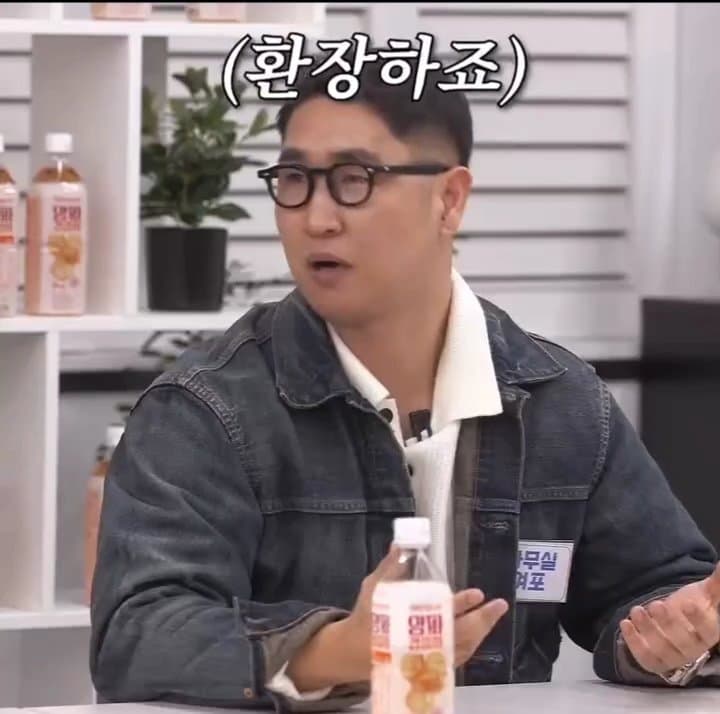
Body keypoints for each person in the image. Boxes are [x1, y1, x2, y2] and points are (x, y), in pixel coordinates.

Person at [89, 57, 720, 710]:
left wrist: (674, 637)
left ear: (450, 199)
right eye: (295, 180)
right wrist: (338, 650)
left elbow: (659, 590)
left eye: (354, 180)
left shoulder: (562, 402)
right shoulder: (206, 410)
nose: (317, 218)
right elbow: (139, 634)